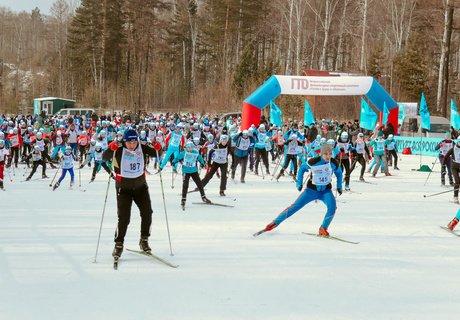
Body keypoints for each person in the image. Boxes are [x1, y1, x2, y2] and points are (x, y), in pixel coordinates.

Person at [257, 143, 343, 236]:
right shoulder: (314, 161)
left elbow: (339, 173)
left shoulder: (334, 163)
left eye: (330, 154)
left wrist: (339, 186)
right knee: (295, 207)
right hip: (311, 191)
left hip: (326, 191)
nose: (328, 156)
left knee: (332, 208)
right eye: (325, 154)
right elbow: (302, 168)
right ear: (321, 154)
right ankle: (275, 223)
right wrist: (299, 183)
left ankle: (323, 228)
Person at [102, 129, 158, 259]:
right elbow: (104, 157)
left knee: (147, 213)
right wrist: (111, 149)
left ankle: (144, 239)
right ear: (125, 141)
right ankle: (119, 243)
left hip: (141, 187)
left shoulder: (142, 147)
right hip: (124, 189)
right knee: (124, 218)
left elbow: (157, 153)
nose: (132, 145)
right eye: (129, 143)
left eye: (134, 142)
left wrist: (157, 147)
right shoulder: (119, 148)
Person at [173, 140, 211, 209]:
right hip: (186, 171)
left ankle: (203, 197)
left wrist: (202, 163)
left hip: (194, 171)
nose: (190, 149)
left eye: (191, 148)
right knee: (185, 185)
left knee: (199, 183)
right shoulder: (184, 153)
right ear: (186, 148)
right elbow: (177, 157)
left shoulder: (195, 152)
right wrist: (174, 161)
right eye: (188, 148)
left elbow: (200, 158)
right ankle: (183, 199)